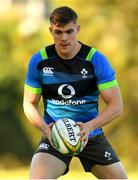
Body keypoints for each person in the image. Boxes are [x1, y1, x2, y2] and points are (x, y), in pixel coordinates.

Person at [23, 6, 128, 179]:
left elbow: (116, 106)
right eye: (58, 32)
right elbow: (29, 103)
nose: (64, 38)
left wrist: (89, 126)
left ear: (77, 29)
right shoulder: (39, 61)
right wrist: (45, 129)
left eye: (69, 31)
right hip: (55, 136)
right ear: (51, 31)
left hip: (90, 135)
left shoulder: (95, 60)